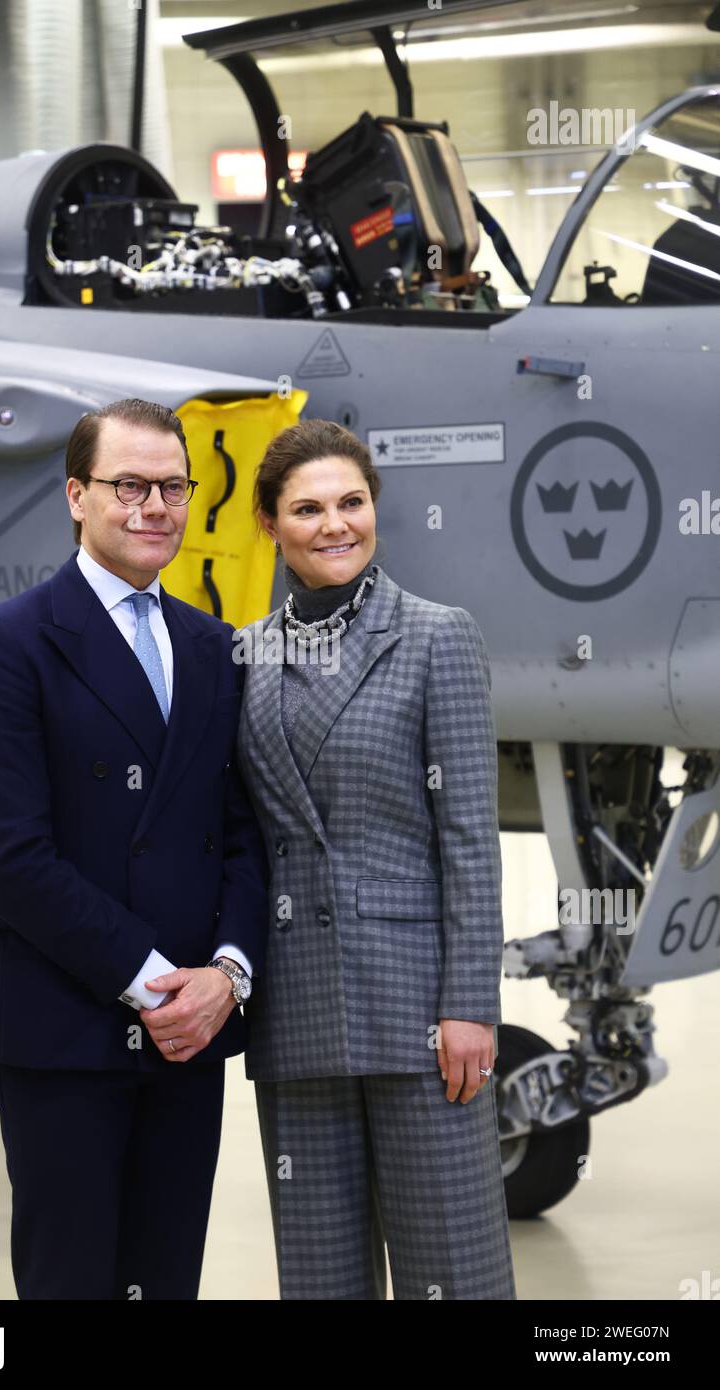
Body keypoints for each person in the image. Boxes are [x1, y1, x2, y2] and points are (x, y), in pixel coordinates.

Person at [0, 397, 268, 1300]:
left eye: (173, 487)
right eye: (129, 485)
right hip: (64, 1025)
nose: (153, 506)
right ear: (76, 495)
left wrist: (227, 976)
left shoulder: (212, 648)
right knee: (73, 1281)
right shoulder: (4, 645)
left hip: (190, 1033)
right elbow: (9, 859)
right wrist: (151, 979)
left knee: (166, 1281)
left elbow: (243, 831)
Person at [234, 418, 516, 1301]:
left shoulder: (437, 638)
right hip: (296, 1007)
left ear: (374, 511)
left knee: (453, 1271)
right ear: (268, 524)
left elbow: (468, 835)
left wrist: (468, 1003)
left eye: (351, 503)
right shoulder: (242, 656)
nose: (334, 525)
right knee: (318, 1279)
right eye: (308, 508)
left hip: (421, 1013)